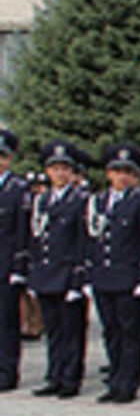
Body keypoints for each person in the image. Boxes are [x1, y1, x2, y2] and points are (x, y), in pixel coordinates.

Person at [86, 143, 140, 404]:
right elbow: (91, 241)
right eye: (117, 171)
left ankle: (129, 380)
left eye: (128, 172)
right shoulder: (99, 201)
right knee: (111, 330)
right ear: (108, 174)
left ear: (136, 177)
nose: (121, 176)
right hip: (104, 276)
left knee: (131, 331)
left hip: (129, 278)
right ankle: (115, 377)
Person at [26, 141, 89, 399]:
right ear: (47, 172)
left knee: (71, 331)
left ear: (72, 173)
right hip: (46, 274)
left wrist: (78, 279)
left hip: (67, 275)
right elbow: (35, 239)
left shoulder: (81, 201)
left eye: (65, 169)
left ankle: (70, 379)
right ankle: (54, 375)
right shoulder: (41, 200)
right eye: (54, 169)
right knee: (53, 331)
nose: (60, 174)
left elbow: (84, 242)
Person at [0, 129, 29, 392]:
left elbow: (22, 232)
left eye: (2, 156)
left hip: (5, 266)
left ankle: (7, 372)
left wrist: (19, 266)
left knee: (7, 323)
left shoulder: (18, 190)